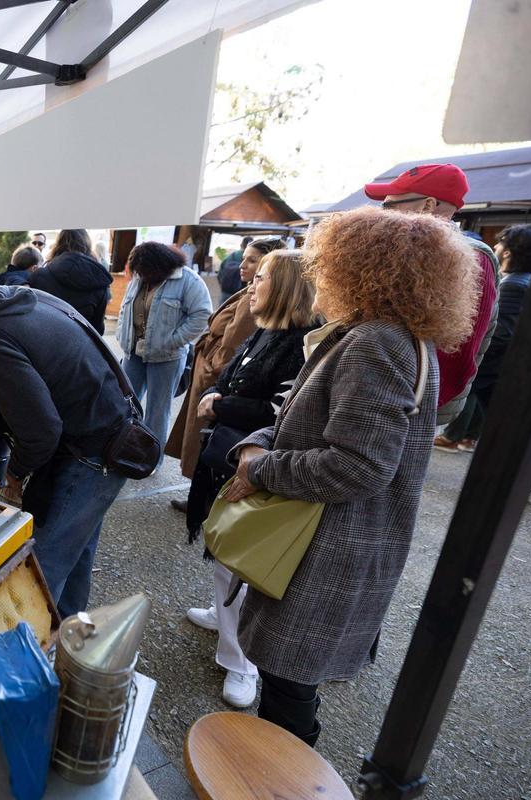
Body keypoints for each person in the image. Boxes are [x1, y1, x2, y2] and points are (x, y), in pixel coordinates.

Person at [222, 206, 478, 746]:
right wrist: (263, 442)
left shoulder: (378, 342)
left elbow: (357, 466)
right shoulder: (396, 337)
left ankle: (281, 779)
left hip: (327, 553)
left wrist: (260, 466)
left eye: (325, 262)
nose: (317, 273)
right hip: (330, 549)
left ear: (360, 267)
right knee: (289, 685)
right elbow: (312, 425)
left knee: (288, 695)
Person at [0, 262, 131, 617]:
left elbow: (42, 430)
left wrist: (14, 476)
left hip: (93, 451)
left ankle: (32, 652)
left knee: (43, 566)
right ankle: (68, 638)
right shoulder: (14, 298)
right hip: (109, 432)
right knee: (76, 551)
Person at [183, 250, 321, 708]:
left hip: (258, 465)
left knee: (238, 562)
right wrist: (219, 398)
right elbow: (238, 381)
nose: (250, 283)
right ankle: (224, 619)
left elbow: (280, 413)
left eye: (260, 276)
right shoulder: (267, 330)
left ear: (282, 287)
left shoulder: (302, 341)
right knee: (223, 551)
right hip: (229, 455)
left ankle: (241, 663)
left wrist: (219, 405)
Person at [362, 163, 499, 424]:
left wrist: (410, 408)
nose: (382, 214)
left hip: (410, 407)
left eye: (389, 206)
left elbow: (458, 351)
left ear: (427, 206)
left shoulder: (471, 257)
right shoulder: (411, 251)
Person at [166, 238, 286, 505]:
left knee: (206, 440)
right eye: (244, 258)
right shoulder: (247, 293)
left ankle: (205, 497)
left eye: (252, 260)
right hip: (210, 371)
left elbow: (233, 343)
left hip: (215, 373)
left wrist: (213, 371)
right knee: (199, 438)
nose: (242, 265)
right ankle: (202, 495)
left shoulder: (252, 300)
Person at [436, 223, 531, 452]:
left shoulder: (513, 285)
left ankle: (453, 436)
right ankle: (468, 437)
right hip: (505, 365)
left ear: (508, 251)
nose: (497, 246)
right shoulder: (524, 280)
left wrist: (478, 355)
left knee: (473, 393)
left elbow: (503, 332)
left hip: (497, 362)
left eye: (501, 243)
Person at [116, 242, 211, 452]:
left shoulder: (188, 280)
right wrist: (123, 337)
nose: (140, 275)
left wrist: (174, 340)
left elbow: (202, 314)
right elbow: (126, 308)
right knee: (125, 405)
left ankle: (149, 457)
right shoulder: (140, 276)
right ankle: (123, 449)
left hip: (167, 357)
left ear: (159, 265)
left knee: (157, 411)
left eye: (145, 271)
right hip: (134, 353)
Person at [28, 229, 114, 335]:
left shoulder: (39, 276)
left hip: (43, 344)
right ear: (87, 245)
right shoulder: (99, 282)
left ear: (58, 244)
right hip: (81, 347)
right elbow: (98, 330)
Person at [218, 237, 252, 303]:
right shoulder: (251, 259)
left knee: (222, 311)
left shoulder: (230, 256)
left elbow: (220, 274)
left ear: (241, 245)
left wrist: (224, 284)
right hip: (240, 293)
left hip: (225, 292)